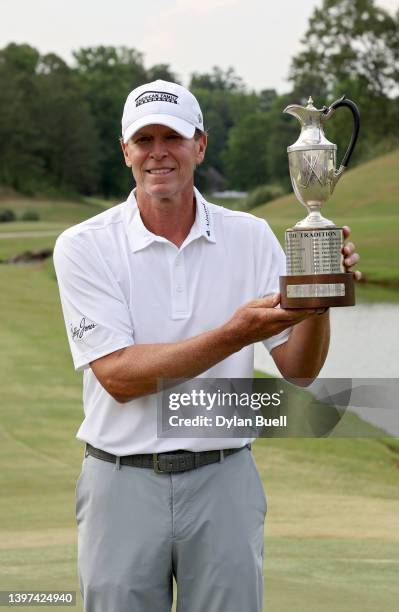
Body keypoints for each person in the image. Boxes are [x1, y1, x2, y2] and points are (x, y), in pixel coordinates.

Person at [53, 80, 361, 612]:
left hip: (224, 479)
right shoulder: (84, 245)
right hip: (120, 482)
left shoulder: (252, 235)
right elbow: (120, 378)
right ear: (124, 150)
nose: (157, 152)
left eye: (171, 137)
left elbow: (300, 369)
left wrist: (318, 298)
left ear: (200, 145)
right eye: (143, 139)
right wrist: (235, 333)